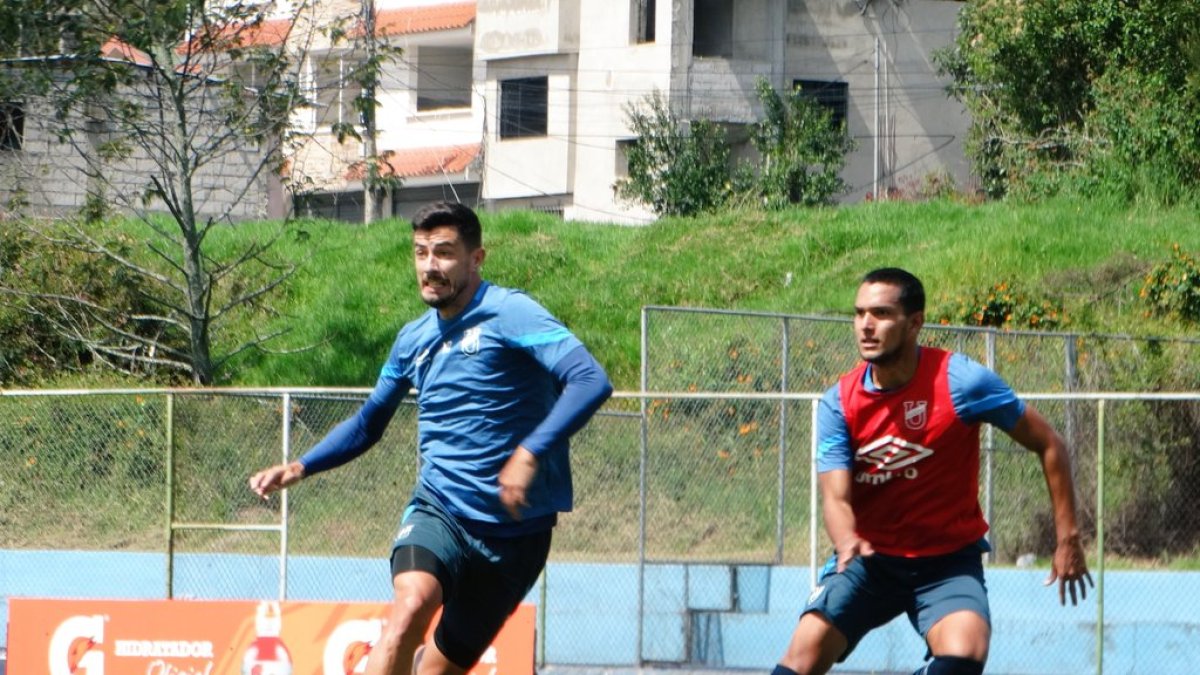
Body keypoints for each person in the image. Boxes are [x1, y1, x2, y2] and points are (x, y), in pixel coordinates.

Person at [249, 201, 613, 675]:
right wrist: (301, 465)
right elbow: (368, 422)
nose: (429, 266)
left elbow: (589, 380)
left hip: (516, 536)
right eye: (420, 253)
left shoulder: (510, 313)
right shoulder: (413, 340)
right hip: (439, 509)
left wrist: (529, 452)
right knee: (408, 612)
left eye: (443, 253)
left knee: (436, 671)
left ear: (476, 259)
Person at [772, 267, 1092, 675]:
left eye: (881, 314)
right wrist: (847, 539)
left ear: (915, 322)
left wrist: (1068, 538)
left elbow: (1049, 444)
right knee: (799, 662)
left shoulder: (962, 382)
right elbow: (835, 496)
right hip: (868, 561)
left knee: (965, 654)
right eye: (859, 313)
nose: (866, 326)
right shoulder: (841, 403)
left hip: (946, 563)